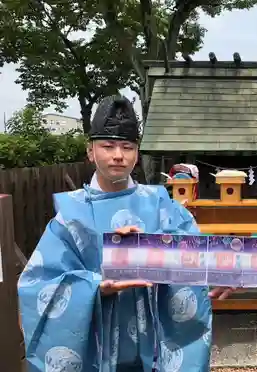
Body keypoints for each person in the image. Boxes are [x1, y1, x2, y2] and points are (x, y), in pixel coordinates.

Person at [17, 95, 234, 372]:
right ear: (90, 151)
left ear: (137, 153)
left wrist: (224, 269)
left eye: (127, 147)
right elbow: (37, 286)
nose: (118, 155)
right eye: (107, 146)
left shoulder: (163, 207)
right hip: (97, 350)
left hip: (156, 344)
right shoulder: (71, 216)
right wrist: (96, 285)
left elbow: (197, 255)